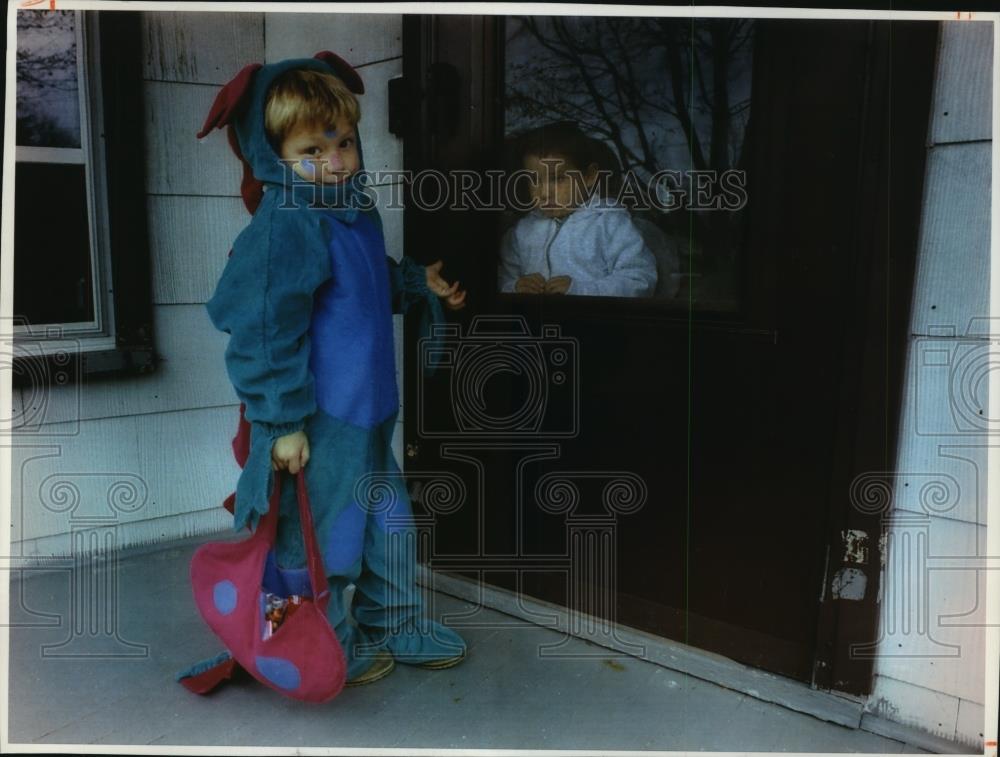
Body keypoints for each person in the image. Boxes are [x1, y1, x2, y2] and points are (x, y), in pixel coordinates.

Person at [178, 53, 468, 691]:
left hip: (367, 418)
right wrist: (281, 420)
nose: (334, 158)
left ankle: (391, 619)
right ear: (270, 152)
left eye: (343, 140)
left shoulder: (350, 211)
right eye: (312, 147)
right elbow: (259, 325)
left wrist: (416, 282)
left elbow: (360, 285)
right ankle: (317, 637)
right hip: (318, 420)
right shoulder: (287, 225)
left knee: (389, 523)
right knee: (319, 539)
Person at [497, 122, 657, 297]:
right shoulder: (522, 231)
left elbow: (639, 280)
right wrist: (516, 287)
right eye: (534, 180)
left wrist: (581, 291)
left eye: (557, 179)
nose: (543, 193)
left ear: (589, 176)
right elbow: (500, 279)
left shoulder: (610, 222)